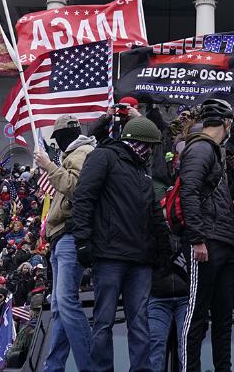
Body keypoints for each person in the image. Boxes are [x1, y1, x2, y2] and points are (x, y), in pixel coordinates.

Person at [72, 116, 171, 372]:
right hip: (109, 256)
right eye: (148, 146)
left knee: (139, 323)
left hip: (140, 260)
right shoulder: (103, 157)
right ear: (137, 143)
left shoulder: (142, 172)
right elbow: (84, 197)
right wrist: (82, 241)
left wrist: (164, 253)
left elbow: (154, 215)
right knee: (103, 321)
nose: (150, 152)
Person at [179, 98, 234, 372]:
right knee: (197, 314)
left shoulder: (215, 152)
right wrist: (197, 238)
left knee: (224, 316)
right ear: (226, 122)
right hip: (206, 241)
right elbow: (188, 192)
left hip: (225, 240)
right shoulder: (201, 149)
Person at [34, 114, 96, 372]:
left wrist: (48, 165)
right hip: (60, 236)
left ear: (61, 137)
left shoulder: (82, 152)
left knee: (67, 302)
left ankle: (90, 365)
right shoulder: (73, 154)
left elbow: (76, 187)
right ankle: (54, 365)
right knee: (59, 306)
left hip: (71, 235)